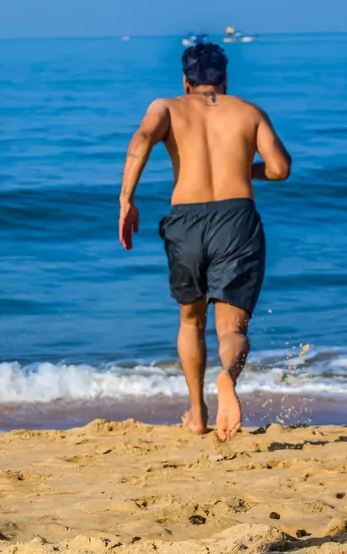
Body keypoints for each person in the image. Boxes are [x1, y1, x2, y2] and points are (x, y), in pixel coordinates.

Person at [118, 43, 291, 442]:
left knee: (190, 319)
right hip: (237, 219)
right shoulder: (249, 111)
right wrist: (241, 168)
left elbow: (141, 140)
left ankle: (197, 413)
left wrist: (127, 200)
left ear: (186, 81)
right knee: (232, 328)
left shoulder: (166, 107)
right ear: (225, 79)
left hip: (186, 219)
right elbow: (281, 168)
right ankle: (227, 377)